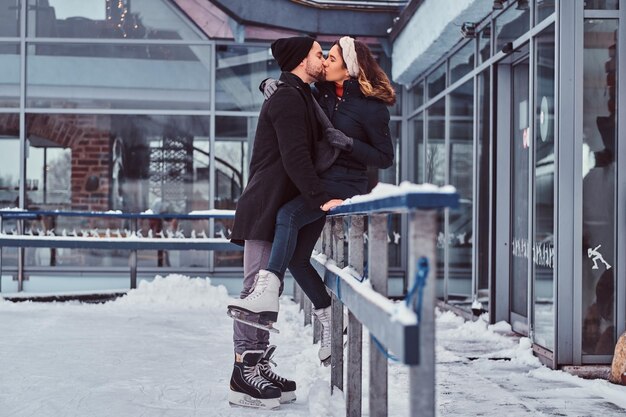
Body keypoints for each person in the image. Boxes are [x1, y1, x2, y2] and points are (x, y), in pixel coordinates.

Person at [229, 36, 396, 365]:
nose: (325, 62)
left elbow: (385, 157)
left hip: (345, 185)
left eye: (330, 57)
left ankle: (267, 294)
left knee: (288, 217)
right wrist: (269, 83)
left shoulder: (369, 107)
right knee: (297, 258)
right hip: (321, 186)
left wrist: (348, 143)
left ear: (348, 67)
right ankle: (330, 319)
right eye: (322, 56)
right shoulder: (320, 95)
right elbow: (292, 86)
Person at [227, 36, 336, 410]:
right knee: (255, 291)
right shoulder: (289, 97)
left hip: (278, 205)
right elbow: (294, 157)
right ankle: (244, 371)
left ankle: (259, 362)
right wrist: (321, 197)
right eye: (318, 54)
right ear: (301, 60)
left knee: (265, 292)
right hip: (263, 205)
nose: (322, 60)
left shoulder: (299, 93)